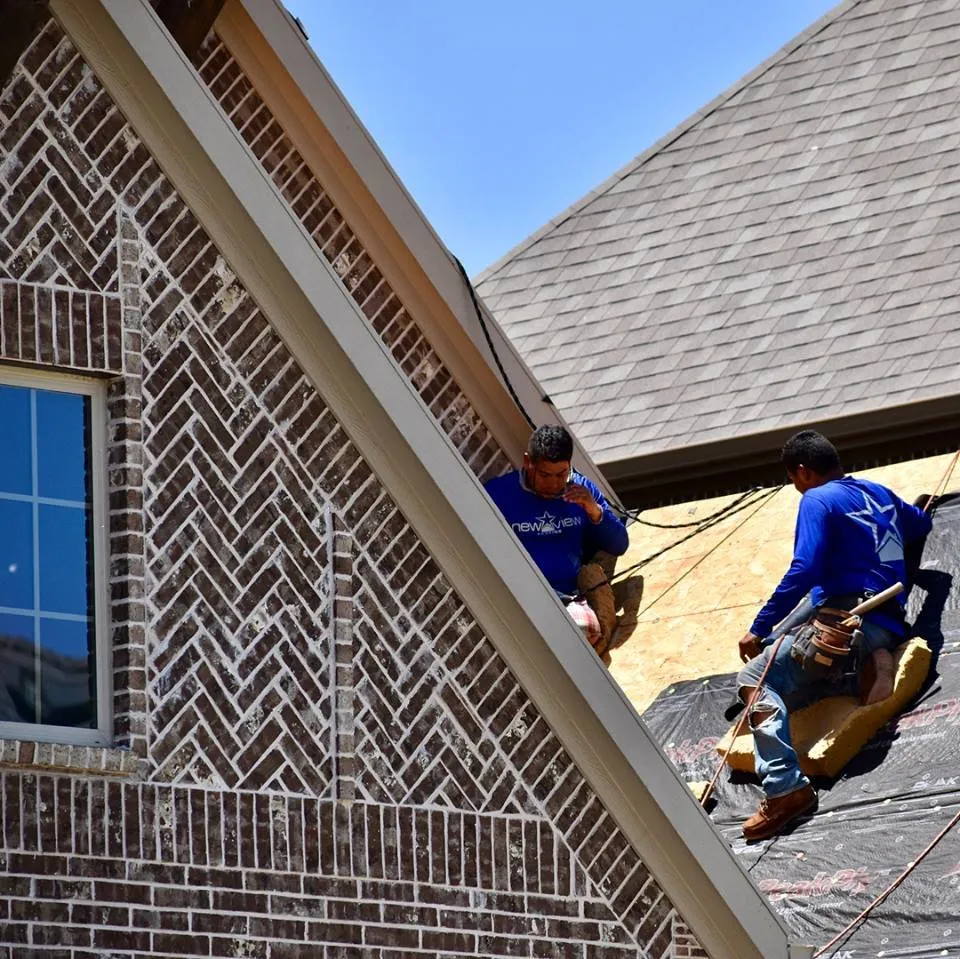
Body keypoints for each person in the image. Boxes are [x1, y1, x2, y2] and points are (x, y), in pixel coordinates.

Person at [736, 429, 932, 842]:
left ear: (803, 472)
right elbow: (920, 524)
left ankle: (785, 789)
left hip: (843, 621)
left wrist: (759, 626)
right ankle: (861, 669)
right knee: (787, 656)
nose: (796, 486)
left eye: (794, 479)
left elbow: (804, 567)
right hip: (885, 624)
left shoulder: (817, 499)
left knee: (755, 678)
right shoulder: (878, 492)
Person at [484, 425, 628, 652]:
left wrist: (594, 510)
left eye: (561, 474)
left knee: (585, 633)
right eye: (545, 475)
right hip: (520, 597)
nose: (553, 484)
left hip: (568, 597)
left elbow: (620, 544)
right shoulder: (498, 494)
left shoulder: (582, 489)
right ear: (528, 462)